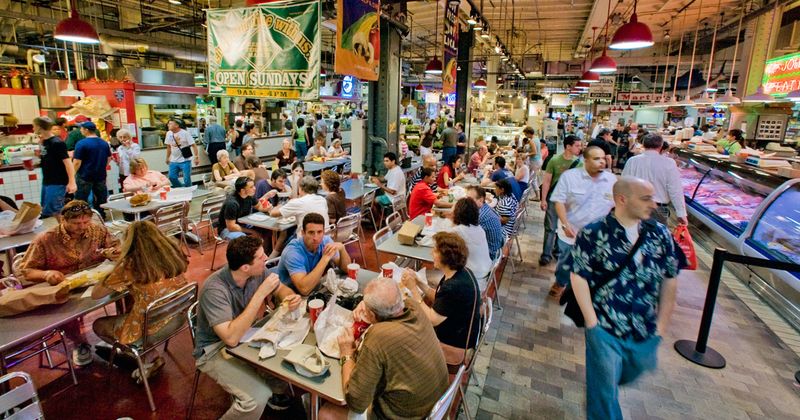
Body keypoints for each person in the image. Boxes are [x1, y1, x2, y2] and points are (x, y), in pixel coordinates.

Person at [568, 177, 680, 420]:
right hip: (604, 326)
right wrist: (592, 323)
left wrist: (661, 327)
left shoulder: (659, 234)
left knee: (630, 371)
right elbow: (578, 275)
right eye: (646, 198)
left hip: (644, 329)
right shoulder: (594, 232)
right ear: (622, 199)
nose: (654, 204)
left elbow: (670, 278)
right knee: (604, 394)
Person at [194, 236, 302, 417]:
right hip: (214, 349)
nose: (266, 258)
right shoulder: (215, 289)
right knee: (256, 398)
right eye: (261, 257)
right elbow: (230, 338)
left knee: (288, 350)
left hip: (245, 336)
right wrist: (260, 294)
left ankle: (275, 390)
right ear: (245, 267)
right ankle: (266, 392)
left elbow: (282, 289)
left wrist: (290, 298)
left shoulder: (256, 272)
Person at [319, 277, 449, 419]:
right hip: (438, 407)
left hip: (409, 416)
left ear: (371, 314)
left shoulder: (378, 337)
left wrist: (346, 354)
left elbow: (355, 402)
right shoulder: (414, 307)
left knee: (326, 413)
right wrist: (366, 305)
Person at [18, 200, 120, 366]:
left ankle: (122, 336)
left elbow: (114, 246)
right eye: (76, 223)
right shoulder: (46, 239)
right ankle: (79, 343)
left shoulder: (97, 230)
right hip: (64, 285)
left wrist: (113, 252)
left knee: (124, 289)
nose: (82, 227)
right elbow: (26, 271)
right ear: (62, 219)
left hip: (93, 280)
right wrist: (46, 274)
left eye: (86, 222)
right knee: (66, 308)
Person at [91, 221, 188, 381]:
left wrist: (118, 264)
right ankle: (150, 357)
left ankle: (147, 358)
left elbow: (96, 294)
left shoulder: (130, 265)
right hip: (179, 316)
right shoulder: (172, 254)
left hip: (152, 328)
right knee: (133, 309)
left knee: (99, 325)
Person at [401, 232, 482, 365]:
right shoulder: (461, 272)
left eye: (435, 251)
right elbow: (441, 300)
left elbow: (432, 320)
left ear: (446, 258)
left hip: (455, 344)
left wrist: (413, 290)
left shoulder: (453, 287)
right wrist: (418, 282)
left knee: (404, 336)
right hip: (465, 332)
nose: (431, 253)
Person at [548, 146, 616, 299]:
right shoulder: (570, 177)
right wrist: (565, 224)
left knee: (588, 265)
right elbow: (559, 201)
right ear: (585, 160)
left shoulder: (611, 180)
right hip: (571, 231)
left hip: (597, 235)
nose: (602, 162)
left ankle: (576, 292)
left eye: (603, 158)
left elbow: (615, 206)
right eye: (596, 159)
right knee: (566, 261)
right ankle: (560, 282)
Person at [275, 212, 351, 295]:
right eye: (311, 232)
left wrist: (342, 249)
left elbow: (347, 270)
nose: (316, 238)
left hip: (313, 288)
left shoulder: (325, 241)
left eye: (319, 232)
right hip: (289, 295)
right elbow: (304, 289)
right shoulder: (292, 252)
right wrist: (325, 258)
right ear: (303, 233)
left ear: (324, 232)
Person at [623, 134, 688, 226]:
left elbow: (624, 184)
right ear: (661, 146)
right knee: (657, 234)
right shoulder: (669, 163)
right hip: (658, 209)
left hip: (635, 206)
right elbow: (675, 189)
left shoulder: (632, 161)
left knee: (634, 233)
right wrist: (681, 213)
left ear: (643, 145)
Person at [539, 135, 583, 266]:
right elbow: (547, 181)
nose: (580, 148)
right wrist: (543, 199)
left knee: (564, 226)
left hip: (569, 202)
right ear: (568, 146)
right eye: (577, 145)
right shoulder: (554, 160)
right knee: (550, 227)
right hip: (553, 198)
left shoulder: (579, 163)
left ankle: (557, 251)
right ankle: (546, 254)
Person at [34, 117, 77, 217]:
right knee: (48, 209)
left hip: (58, 181)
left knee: (56, 210)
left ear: (40, 127)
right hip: (47, 181)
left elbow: (68, 163)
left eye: (34, 126)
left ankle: (65, 227)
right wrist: (34, 165)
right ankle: (62, 227)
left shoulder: (57, 143)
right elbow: (48, 160)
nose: (33, 128)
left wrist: (72, 182)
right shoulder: (44, 142)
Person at [450, 198, 492, 288]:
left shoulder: (458, 231)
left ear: (457, 213)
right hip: (484, 275)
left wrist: (453, 224)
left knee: (434, 273)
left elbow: (447, 255)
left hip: (472, 280)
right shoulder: (479, 228)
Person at [73, 121, 112, 217]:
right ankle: (101, 215)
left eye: (81, 128)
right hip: (100, 175)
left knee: (81, 199)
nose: (80, 130)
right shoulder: (104, 143)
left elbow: (77, 162)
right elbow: (109, 158)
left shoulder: (81, 143)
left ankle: (81, 217)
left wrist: (72, 174)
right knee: (101, 197)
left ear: (86, 130)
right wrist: (101, 167)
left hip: (85, 176)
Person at [465, 186, 504, 260]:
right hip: (496, 248)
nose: (466, 202)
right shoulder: (485, 208)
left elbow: (468, 237)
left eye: (469, 199)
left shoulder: (480, 216)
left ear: (480, 200)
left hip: (490, 254)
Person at [164, 119, 199, 188]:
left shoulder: (185, 133)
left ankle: (189, 191)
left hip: (185, 160)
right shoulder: (168, 133)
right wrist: (167, 158)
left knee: (186, 179)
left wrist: (196, 157)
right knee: (172, 177)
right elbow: (168, 147)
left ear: (177, 125)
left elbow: (194, 145)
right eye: (168, 123)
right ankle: (181, 189)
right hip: (173, 160)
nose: (168, 125)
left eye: (170, 123)